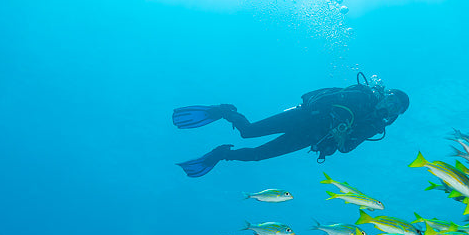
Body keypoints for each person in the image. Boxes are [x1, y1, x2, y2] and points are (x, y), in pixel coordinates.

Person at [172, 73, 409, 177]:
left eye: (396, 107)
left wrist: (339, 136)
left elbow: (346, 148)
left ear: (395, 114)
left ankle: (222, 154)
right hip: (305, 117)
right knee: (248, 131)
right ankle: (225, 111)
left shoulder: (373, 126)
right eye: (391, 99)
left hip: (309, 138)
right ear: (385, 94)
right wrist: (339, 121)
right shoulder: (363, 94)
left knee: (257, 156)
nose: (390, 106)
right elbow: (330, 100)